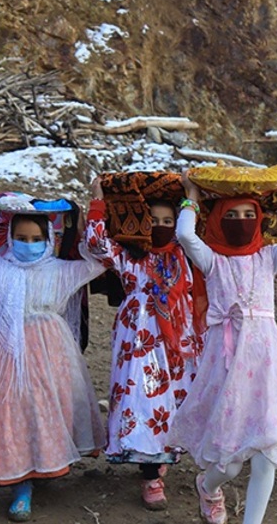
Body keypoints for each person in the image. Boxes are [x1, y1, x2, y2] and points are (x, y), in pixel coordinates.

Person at [172, 175, 277, 524]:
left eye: (248, 214)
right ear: (218, 222)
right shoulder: (212, 261)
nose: (241, 222)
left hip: (265, 360)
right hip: (225, 360)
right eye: (231, 215)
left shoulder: (268, 257)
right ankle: (208, 486)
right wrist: (191, 197)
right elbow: (183, 234)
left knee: (267, 450)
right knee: (230, 460)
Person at [0, 198, 108, 522]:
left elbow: (99, 262)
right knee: (11, 411)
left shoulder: (61, 271)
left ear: (49, 239)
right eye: (21, 238)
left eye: (36, 239)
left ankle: (45, 465)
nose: (28, 244)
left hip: (52, 351)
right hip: (8, 351)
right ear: (10, 238)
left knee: (46, 408)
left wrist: (80, 229)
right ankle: (20, 484)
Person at [87, 177, 203, 510]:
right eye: (154, 221)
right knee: (143, 398)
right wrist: (97, 201)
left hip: (178, 339)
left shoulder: (184, 253)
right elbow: (96, 242)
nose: (162, 227)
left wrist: (191, 197)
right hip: (138, 337)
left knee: (173, 399)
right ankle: (151, 474)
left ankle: (160, 451)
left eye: (169, 221)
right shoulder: (129, 256)